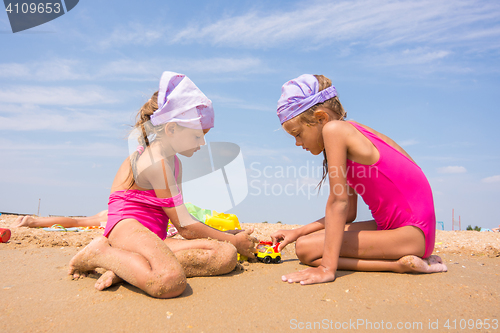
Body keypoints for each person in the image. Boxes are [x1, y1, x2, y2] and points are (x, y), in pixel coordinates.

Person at [68, 71, 257, 298]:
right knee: (169, 280)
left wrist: (225, 237)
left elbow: (182, 220)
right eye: (198, 135)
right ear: (172, 129)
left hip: (153, 236)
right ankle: (100, 253)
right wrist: (235, 238)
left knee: (225, 254)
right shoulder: (156, 162)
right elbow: (185, 227)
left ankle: (126, 268)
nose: (203, 142)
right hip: (127, 230)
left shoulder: (175, 162)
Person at [270, 74, 447, 286]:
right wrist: (297, 232)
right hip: (406, 230)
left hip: (410, 234)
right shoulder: (352, 131)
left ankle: (397, 264)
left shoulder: (334, 130)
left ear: (321, 118)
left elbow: (339, 202)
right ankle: (404, 261)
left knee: (306, 249)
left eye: (298, 134)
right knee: (307, 242)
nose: (298, 143)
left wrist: (327, 268)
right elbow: (349, 213)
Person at [10, 211, 108, 229]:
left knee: (76, 220)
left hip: (107, 212)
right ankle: (32, 221)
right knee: (77, 223)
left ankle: (30, 220)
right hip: (116, 215)